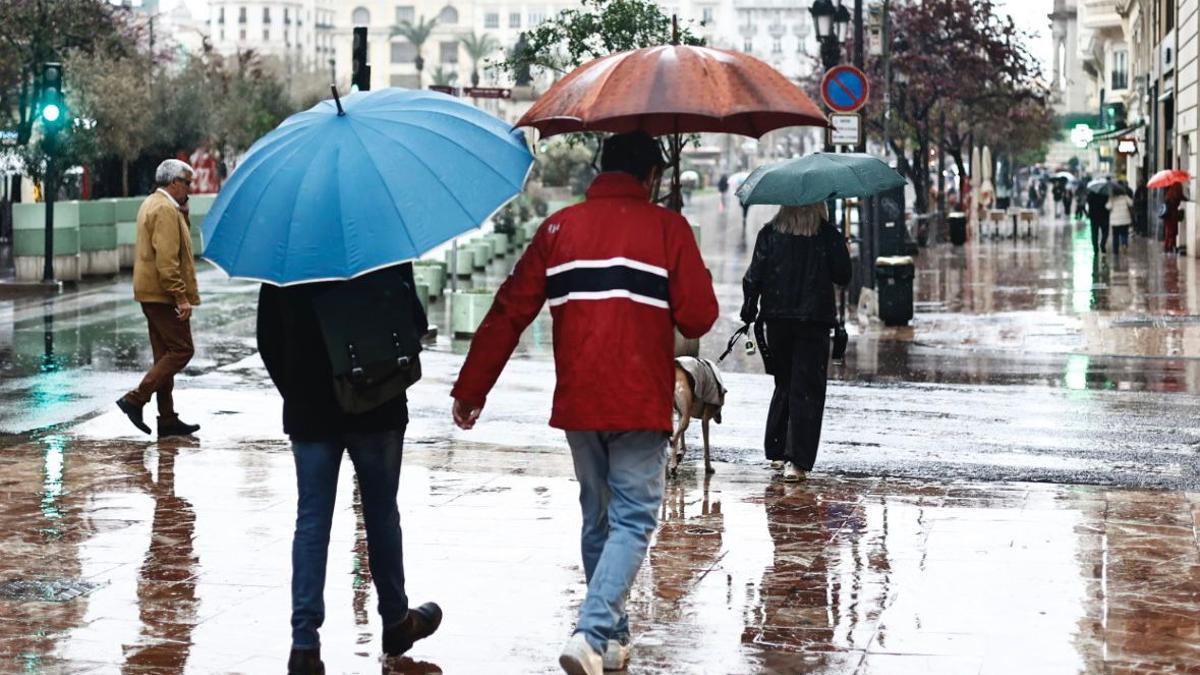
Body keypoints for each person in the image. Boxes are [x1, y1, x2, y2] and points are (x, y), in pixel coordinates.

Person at [450, 131, 719, 675]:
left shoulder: (558, 229)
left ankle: (614, 636)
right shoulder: (668, 230)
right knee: (636, 516)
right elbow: (698, 318)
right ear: (651, 177)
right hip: (639, 398)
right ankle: (592, 632)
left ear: (603, 169)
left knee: (598, 516)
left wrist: (471, 388)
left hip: (581, 398)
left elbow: (509, 310)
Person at [257, 265, 441, 675]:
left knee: (311, 521)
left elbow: (267, 339)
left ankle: (304, 644)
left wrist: (301, 391)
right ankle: (396, 621)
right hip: (377, 402)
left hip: (310, 409)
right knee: (381, 513)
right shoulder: (380, 241)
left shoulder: (286, 252)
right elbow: (414, 322)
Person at [740, 202, 851, 482]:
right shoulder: (827, 235)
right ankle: (797, 460)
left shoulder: (769, 233)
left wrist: (749, 308)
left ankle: (777, 448)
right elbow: (844, 275)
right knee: (808, 388)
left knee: (785, 381)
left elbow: (754, 276)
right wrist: (840, 244)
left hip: (777, 320)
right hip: (813, 321)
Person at [115, 159, 202, 438]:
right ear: (173, 182)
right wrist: (181, 296)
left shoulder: (155, 203)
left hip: (151, 292)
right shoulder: (164, 208)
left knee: (164, 356)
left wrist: (184, 213)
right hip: (163, 294)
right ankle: (135, 399)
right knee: (182, 350)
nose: (190, 188)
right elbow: (167, 260)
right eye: (187, 182)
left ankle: (167, 419)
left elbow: (175, 241)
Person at [1108, 182, 1135, 256]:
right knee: (1124, 234)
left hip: (1115, 221)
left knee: (1115, 236)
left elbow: (1108, 207)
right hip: (1125, 219)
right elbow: (1131, 203)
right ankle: (1124, 244)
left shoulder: (1112, 198)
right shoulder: (1125, 197)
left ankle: (1115, 251)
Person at [1086, 181, 1112, 254]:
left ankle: (1095, 248)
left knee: (1094, 233)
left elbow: (1088, 202)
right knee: (1105, 232)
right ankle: (1102, 243)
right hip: (1104, 216)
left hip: (1094, 217)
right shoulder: (1106, 195)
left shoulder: (1091, 194)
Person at [1164, 181, 1185, 254]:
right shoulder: (1176, 192)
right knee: (1172, 232)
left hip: (1167, 216)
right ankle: (1170, 248)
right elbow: (1181, 197)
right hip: (1172, 216)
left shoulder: (1169, 193)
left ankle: (1167, 248)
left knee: (1168, 232)